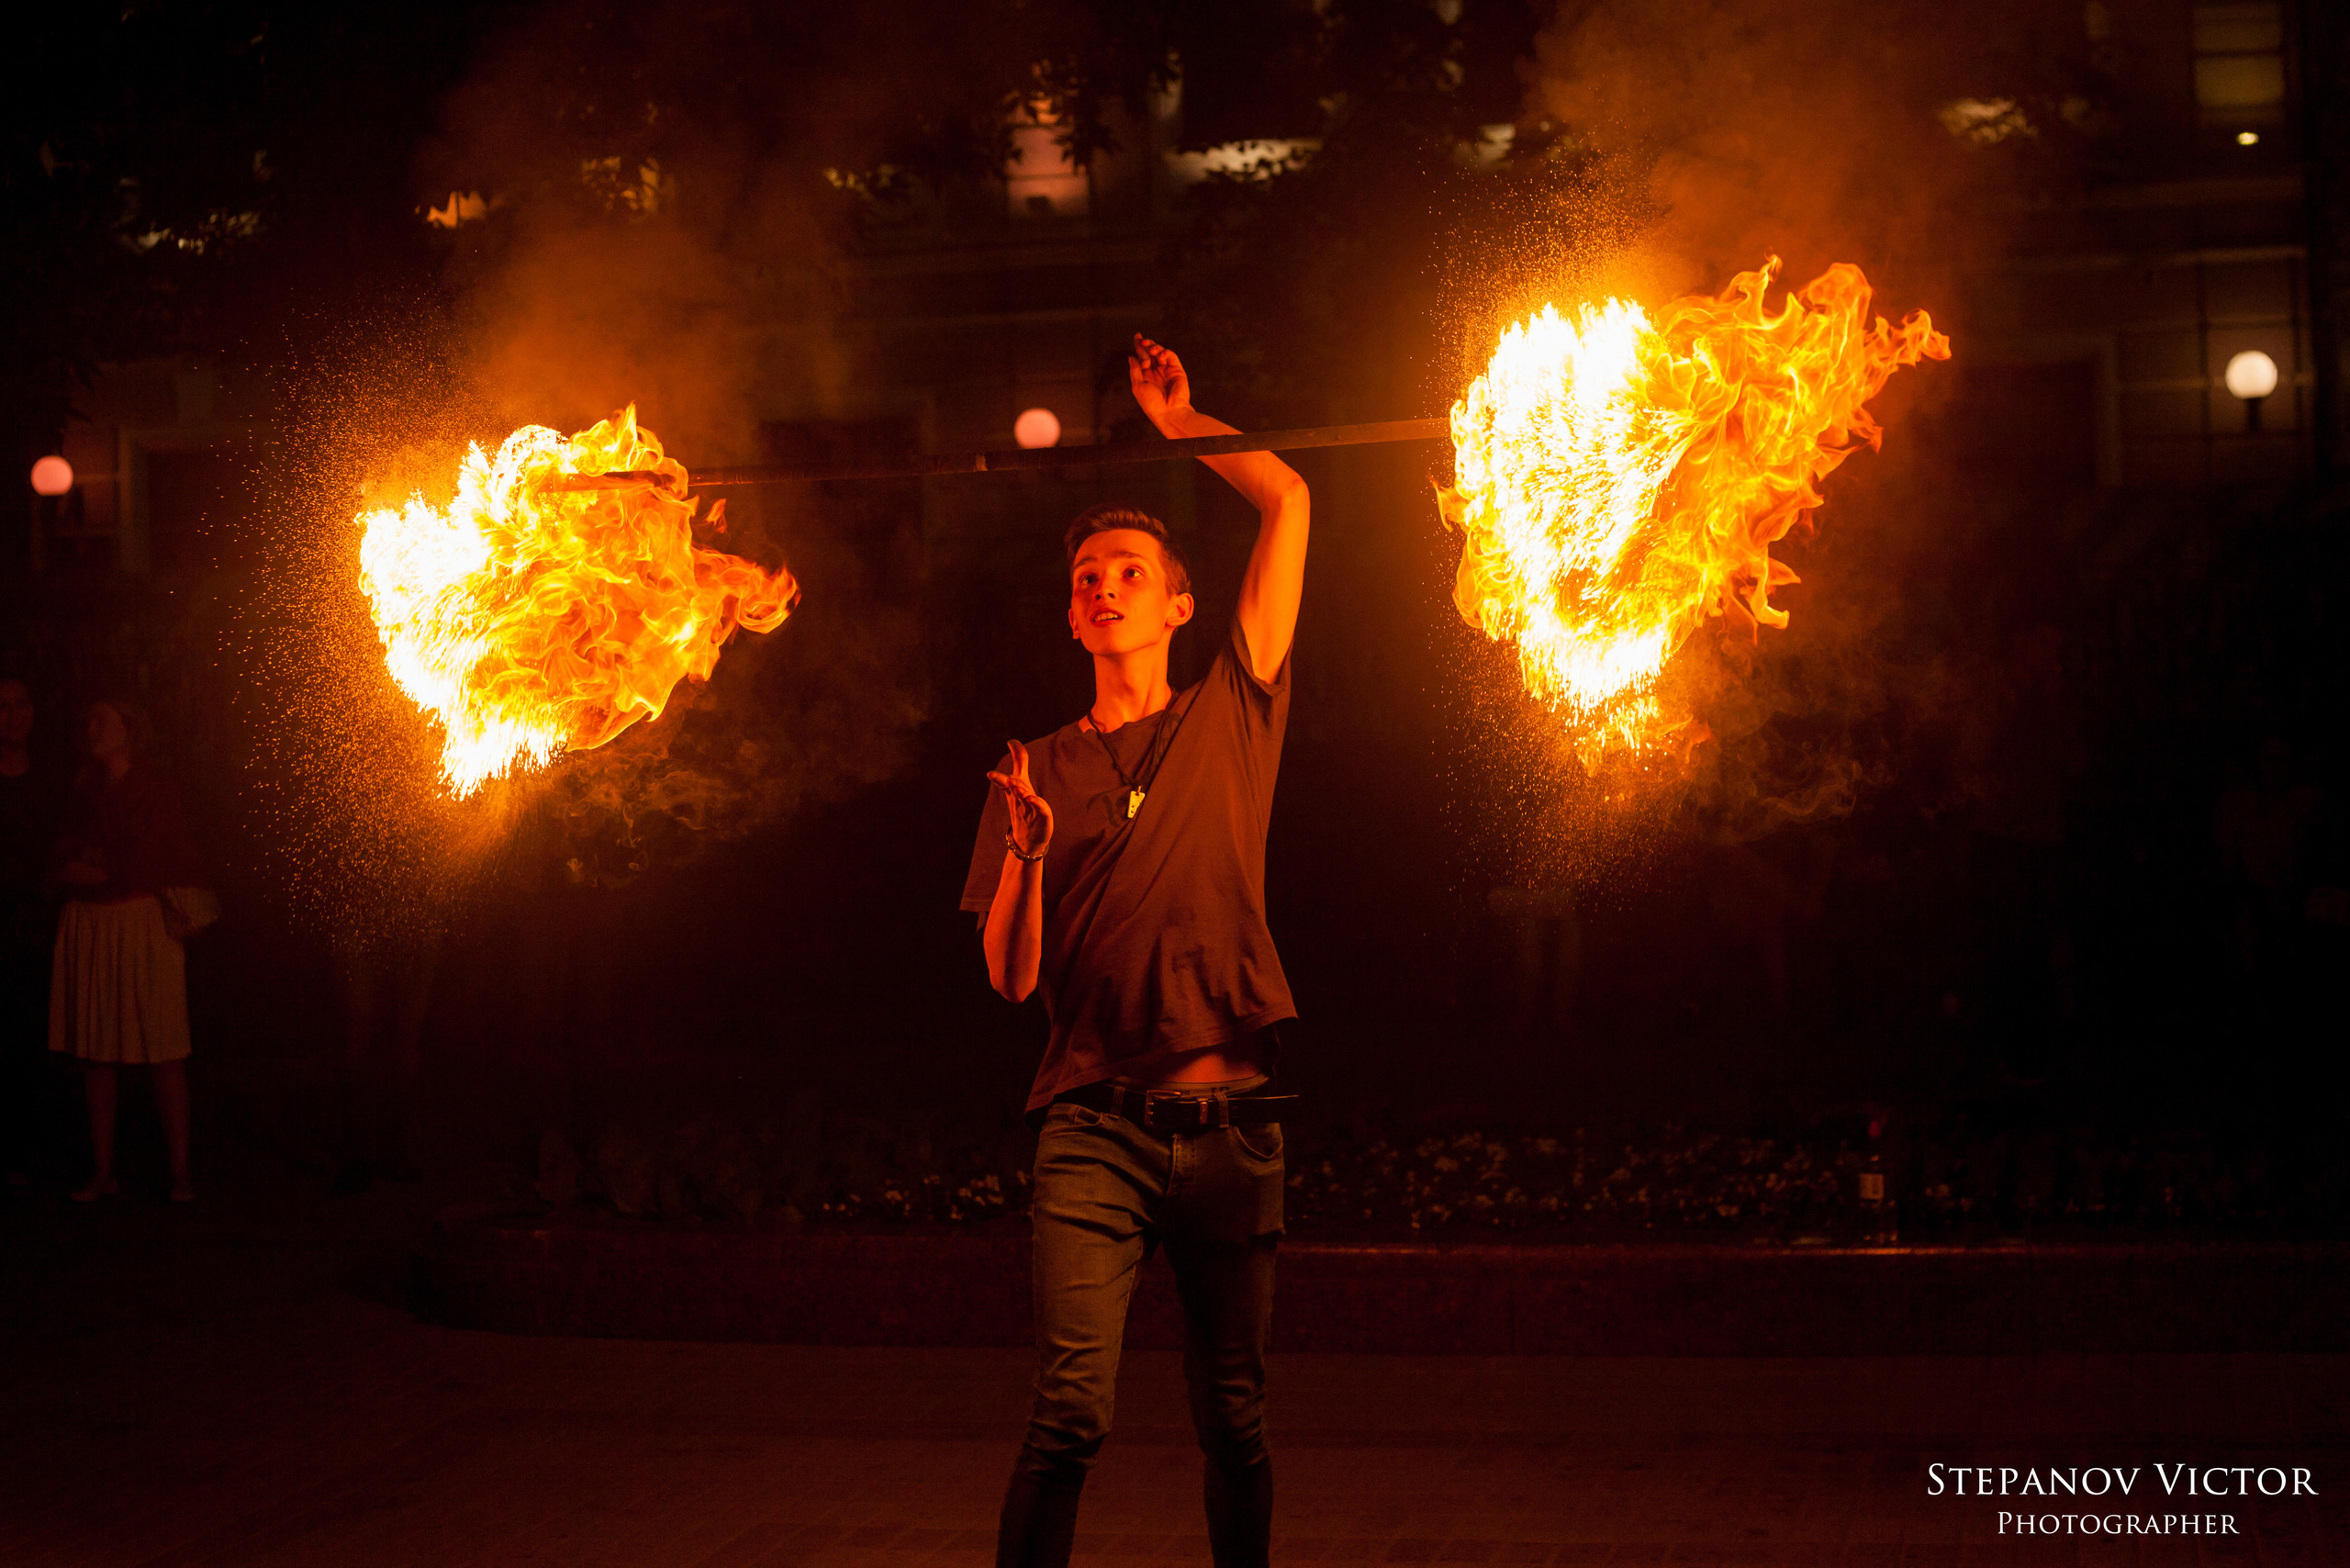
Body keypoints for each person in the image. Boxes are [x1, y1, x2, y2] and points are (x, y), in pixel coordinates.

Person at [963, 336, 1308, 1568]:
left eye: (1129, 571)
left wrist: (1182, 422)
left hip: (1227, 1127)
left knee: (1236, 1422)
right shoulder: (1033, 768)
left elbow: (1290, 497)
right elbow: (1011, 978)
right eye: (1088, 577)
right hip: (1092, 1132)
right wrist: (1024, 854)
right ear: (1072, 613)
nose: (1105, 587)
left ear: (1176, 605)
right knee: (1069, 1416)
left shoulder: (1236, 707)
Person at [48, 698, 207, 1203]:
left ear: (129, 728)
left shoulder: (156, 787)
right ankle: (103, 1173)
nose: (92, 727)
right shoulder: (83, 788)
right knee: (97, 1051)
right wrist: (72, 868)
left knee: (163, 1049)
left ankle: (180, 1175)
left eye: (103, 718)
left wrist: (106, 869)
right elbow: (62, 850)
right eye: (89, 718)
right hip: (92, 922)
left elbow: (165, 852)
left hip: (142, 921)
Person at [0, 677, 61, 1185]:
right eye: (3, 706)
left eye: (21, 705)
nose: (12, 715)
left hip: (39, 926)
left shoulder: (52, 780)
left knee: (32, 1035)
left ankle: (31, 1151)